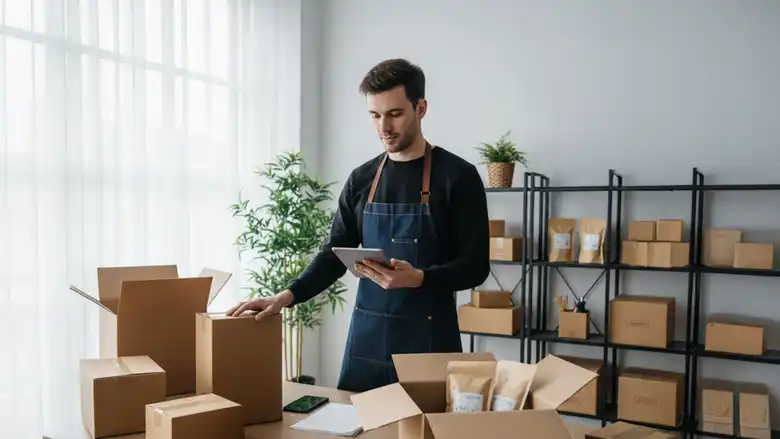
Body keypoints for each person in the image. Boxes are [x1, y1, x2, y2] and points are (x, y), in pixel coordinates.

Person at [226, 58, 491, 392]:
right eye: (375, 115)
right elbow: (334, 254)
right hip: (368, 344)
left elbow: (475, 267)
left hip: (429, 343)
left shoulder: (458, 177)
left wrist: (420, 278)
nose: (384, 127)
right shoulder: (362, 179)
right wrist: (286, 296)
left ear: (421, 108)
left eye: (395, 114)